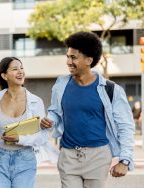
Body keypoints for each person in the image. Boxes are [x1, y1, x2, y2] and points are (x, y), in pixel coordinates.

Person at [40, 31, 135, 188]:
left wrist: (125, 160)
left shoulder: (111, 90)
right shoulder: (61, 84)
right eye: (68, 56)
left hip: (98, 156)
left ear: (89, 60)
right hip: (68, 155)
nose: (68, 62)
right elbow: (55, 112)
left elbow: (126, 126)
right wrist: (50, 120)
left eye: (73, 57)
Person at [0, 57, 59, 188]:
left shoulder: (35, 101)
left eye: (21, 68)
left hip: (25, 160)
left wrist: (20, 139)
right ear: (4, 75)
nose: (20, 72)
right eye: (15, 69)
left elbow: (42, 137)